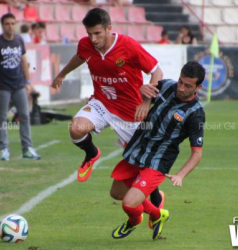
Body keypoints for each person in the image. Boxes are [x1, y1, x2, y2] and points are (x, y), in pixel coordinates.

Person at [51, 7, 164, 215]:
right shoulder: (86, 45)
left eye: (97, 33)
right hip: (102, 104)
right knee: (76, 129)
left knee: (143, 164)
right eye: (89, 34)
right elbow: (80, 56)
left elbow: (156, 71)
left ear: (109, 29)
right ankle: (91, 153)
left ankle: (157, 201)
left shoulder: (128, 46)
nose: (93, 39)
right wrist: (61, 74)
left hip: (131, 113)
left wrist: (146, 102)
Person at [110, 61, 206, 240]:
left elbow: (197, 153)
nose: (181, 88)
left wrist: (180, 175)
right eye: (180, 81)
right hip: (139, 149)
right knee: (115, 193)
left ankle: (135, 220)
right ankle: (157, 213)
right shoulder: (166, 86)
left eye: (187, 85)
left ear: (198, 87)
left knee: (129, 205)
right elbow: (147, 90)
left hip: (159, 159)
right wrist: (145, 100)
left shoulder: (196, 113)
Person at [0, 13, 41, 161]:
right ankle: (4, 149)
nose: (10, 26)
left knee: (24, 116)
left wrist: (28, 82)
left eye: (12, 23)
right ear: (2, 25)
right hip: (2, 86)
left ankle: (27, 149)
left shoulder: (19, 40)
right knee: (2, 118)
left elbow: (24, 61)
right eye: (7, 24)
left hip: (19, 85)